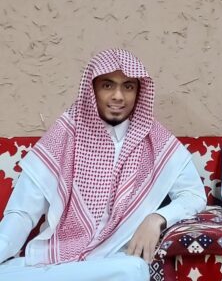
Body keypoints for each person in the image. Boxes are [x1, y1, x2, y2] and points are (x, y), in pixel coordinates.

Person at [0, 48, 206, 281]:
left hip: (113, 260)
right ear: (92, 90)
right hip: (57, 258)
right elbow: (22, 213)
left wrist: (157, 218)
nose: (118, 96)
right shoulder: (64, 135)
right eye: (108, 85)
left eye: (128, 86)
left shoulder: (156, 141)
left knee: (132, 270)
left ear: (139, 92)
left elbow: (193, 195)